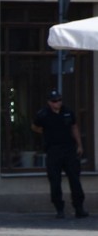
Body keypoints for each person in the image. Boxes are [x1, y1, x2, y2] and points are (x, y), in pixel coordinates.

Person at [32, 89, 88, 219]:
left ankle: (79, 208)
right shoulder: (43, 114)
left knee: (75, 179)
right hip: (53, 150)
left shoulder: (67, 112)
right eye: (54, 101)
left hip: (69, 149)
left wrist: (79, 145)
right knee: (55, 180)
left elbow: (74, 127)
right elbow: (34, 126)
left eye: (59, 100)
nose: (57, 103)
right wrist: (46, 134)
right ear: (49, 102)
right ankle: (59, 209)